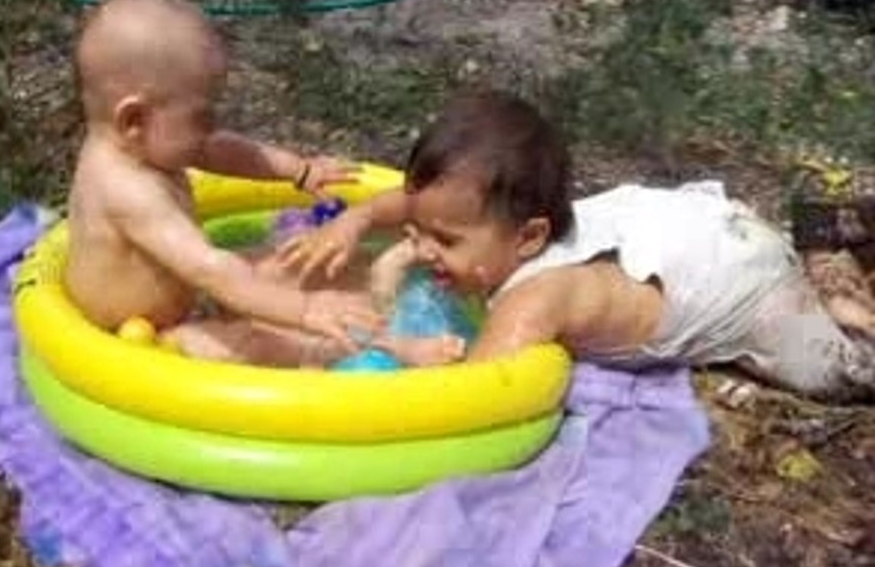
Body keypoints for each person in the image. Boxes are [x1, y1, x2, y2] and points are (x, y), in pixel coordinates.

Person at [277, 89, 875, 398]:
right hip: (694, 230)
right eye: (417, 232)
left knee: (847, 371)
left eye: (444, 240)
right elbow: (409, 203)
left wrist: (399, 351)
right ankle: (826, 230)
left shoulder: (537, 296)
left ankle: (836, 285)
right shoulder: (500, 227)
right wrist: (351, 223)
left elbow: (475, 390)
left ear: (531, 237)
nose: (420, 245)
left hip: (745, 289)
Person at [63, 0, 382, 363]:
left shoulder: (146, 143)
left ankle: (377, 290)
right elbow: (211, 269)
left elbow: (216, 149)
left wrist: (299, 170)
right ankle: (340, 357)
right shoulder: (128, 191)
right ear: (133, 119)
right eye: (202, 117)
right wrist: (304, 310)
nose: (212, 128)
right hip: (138, 341)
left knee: (284, 261)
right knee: (258, 343)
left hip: (189, 297)